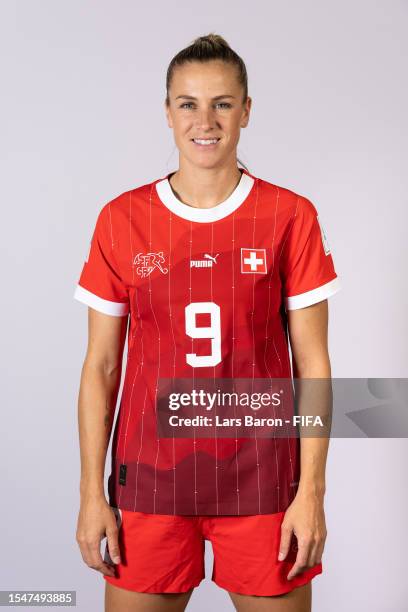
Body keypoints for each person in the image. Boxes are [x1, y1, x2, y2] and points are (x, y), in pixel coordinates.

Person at [74, 33, 341, 612]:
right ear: (168, 112)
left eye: (222, 103)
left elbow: (313, 363)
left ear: (246, 111)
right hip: (149, 482)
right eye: (189, 103)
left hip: (264, 481)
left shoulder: (290, 216)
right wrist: (90, 494)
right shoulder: (121, 220)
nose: (206, 120)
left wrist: (311, 492)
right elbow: (100, 366)